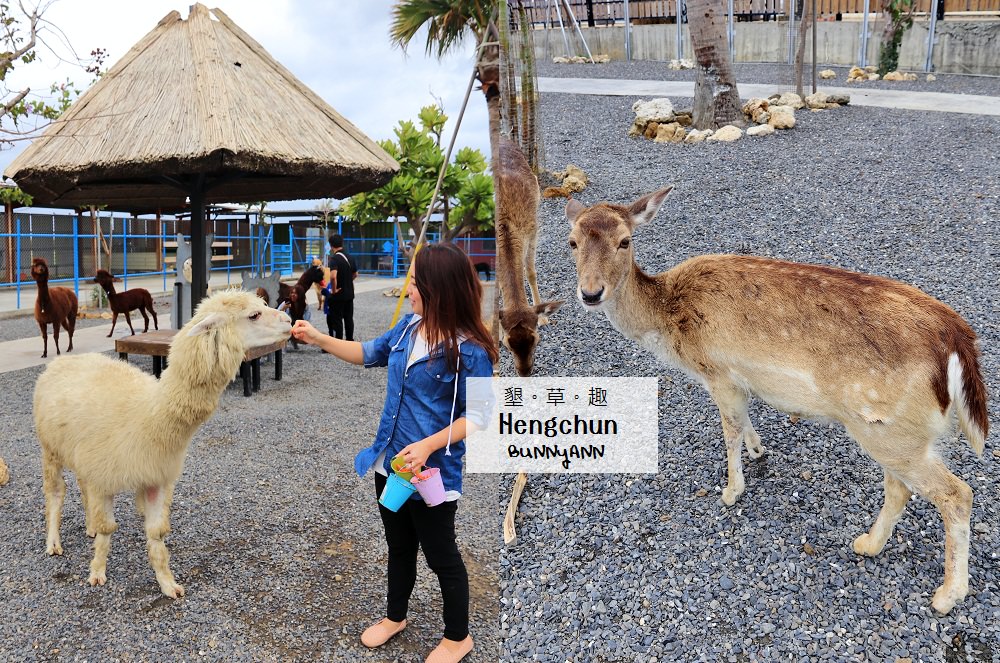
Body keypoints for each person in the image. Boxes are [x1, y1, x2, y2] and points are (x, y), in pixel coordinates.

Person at [291, 243, 497, 663]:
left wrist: (428, 445)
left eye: (417, 282)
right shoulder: (407, 328)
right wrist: (317, 338)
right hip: (389, 466)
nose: (410, 288)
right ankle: (395, 617)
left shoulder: (470, 350)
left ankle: (458, 637)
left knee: (442, 557)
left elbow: (479, 415)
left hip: (432, 475)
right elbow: (366, 353)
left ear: (439, 288)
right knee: (399, 546)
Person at [326, 234, 358, 341]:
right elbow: (355, 274)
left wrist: (334, 290)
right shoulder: (350, 257)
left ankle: (338, 341)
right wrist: (348, 281)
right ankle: (349, 340)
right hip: (349, 293)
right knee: (349, 318)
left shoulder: (334, 259)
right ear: (342, 243)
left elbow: (333, 276)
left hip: (338, 295)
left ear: (331, 246)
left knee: (337, 319)